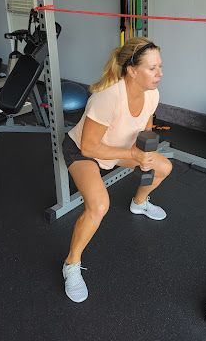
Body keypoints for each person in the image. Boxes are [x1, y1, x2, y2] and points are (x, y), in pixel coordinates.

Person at [61, 37, 172, 303]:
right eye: (153, 68)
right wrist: (132, 155)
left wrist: (144, 155)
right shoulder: (108, 97)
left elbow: (145, 130)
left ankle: (139, 202)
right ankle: (71, 264)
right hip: (83, 153)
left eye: (160, 66)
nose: (160, 73)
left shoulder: (152, 95)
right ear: (132, 71)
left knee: (163, 167)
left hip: (118, 149)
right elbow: (89, 147)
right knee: (99, 206)